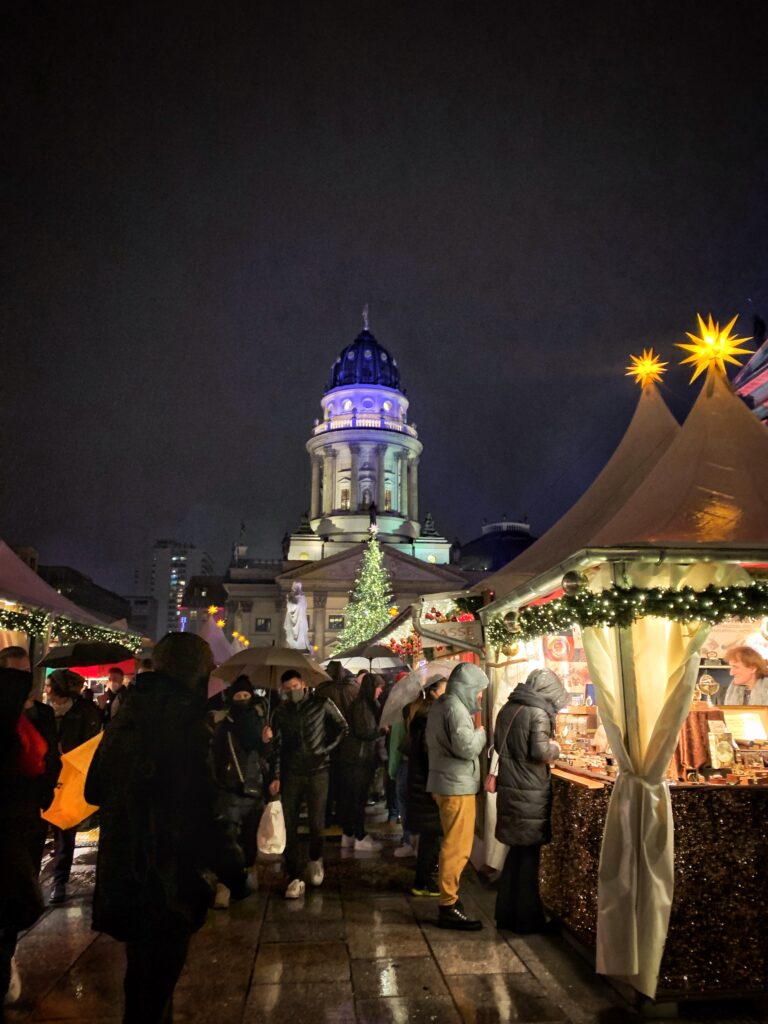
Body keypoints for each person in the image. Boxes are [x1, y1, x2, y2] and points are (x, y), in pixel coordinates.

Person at [85, 632, 249, 1024]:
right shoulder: (188, 726)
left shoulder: (128, 713)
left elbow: (94, 788)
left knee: (142, 982)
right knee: (154, 987)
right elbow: (205, 813)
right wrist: (235, 872)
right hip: (167, 875)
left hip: (126, 870)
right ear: (193, 673)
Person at [494, 668, 567, 934]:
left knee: (516, 854)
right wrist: (556, 748)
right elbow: (540, 751)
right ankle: (527, 921)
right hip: (529, 792)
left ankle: (506, 914)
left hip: (512, 790)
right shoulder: (537, 713)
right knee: (528, 858)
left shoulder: (508, 709)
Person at [0, 665, 55, 1014]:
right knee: (18, 900)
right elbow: (39, 765)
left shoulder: (26, 723)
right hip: (11, 829)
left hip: (21, 827)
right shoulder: (13, 732)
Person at [269, 669, 348, 898]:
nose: (291, 692)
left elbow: (342, 728)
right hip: (292, 772)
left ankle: (315, 858)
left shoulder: (322, 704)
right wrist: (276, 775)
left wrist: (325, 749)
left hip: (318, 771)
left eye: (294, 686)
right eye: (287, 689)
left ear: (302, 684)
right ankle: (294, 874)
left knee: (316, 822)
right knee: (290, 824)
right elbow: (277, 747)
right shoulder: (281, 712)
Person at [425, 662, 488, 931]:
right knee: (457, 846)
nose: (480, 697)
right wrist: (481, 733)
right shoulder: (455, 708)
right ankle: (448, 905)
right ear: (468, 687)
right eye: (479, 691)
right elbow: (465, 747)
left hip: (446, 782)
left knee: (454, 843)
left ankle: (450, 899)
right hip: (455, 785)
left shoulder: (443, 704)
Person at [211, 675, 272, 906]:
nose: (243, 699)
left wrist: (267, 741)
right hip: (230, 786)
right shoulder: (224, 724)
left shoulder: (260, 721)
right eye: (239, 696)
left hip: (255, 785)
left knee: (249, 834)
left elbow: (267, 756)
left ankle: (247, 870)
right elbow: (215, 754)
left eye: (246, 695)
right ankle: (225, 884)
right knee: (228, 835)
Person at [45, 669, 102, 904]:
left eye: (49, 685)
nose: (46, 689)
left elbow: (90, 745)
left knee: (65, 829)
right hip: (47, 777)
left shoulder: (85, 712)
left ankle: (60, 881)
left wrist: (66, 750)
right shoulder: (45, 712)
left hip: (71, 778)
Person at [405, 673, 448, 895]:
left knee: (430, 836)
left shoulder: (421, 715)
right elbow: (429, 755)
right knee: (432, 836)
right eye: (444, 689)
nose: (447, 693)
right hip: (428, 786)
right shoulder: (430, 718)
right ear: (433, 692)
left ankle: (423, 880)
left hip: (422, 785)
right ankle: (425, 882)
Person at [338, 673, 384, 852]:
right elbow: (365, 731)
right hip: (358, 759)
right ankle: (359, 836)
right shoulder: (363, 706)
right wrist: (381, 731)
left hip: (353, 758)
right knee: (358, 799)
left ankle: (348, 835)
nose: (380, 691)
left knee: (352, 799)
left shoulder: (361, 704)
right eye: (379, 687)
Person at [315, 660, 358, 824]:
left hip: (327, 741)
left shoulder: (322, 690)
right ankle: (342, 815)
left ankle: (326, 815)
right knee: (344, 782)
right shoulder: (353, 689)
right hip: (349, 741)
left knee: (328, 781)